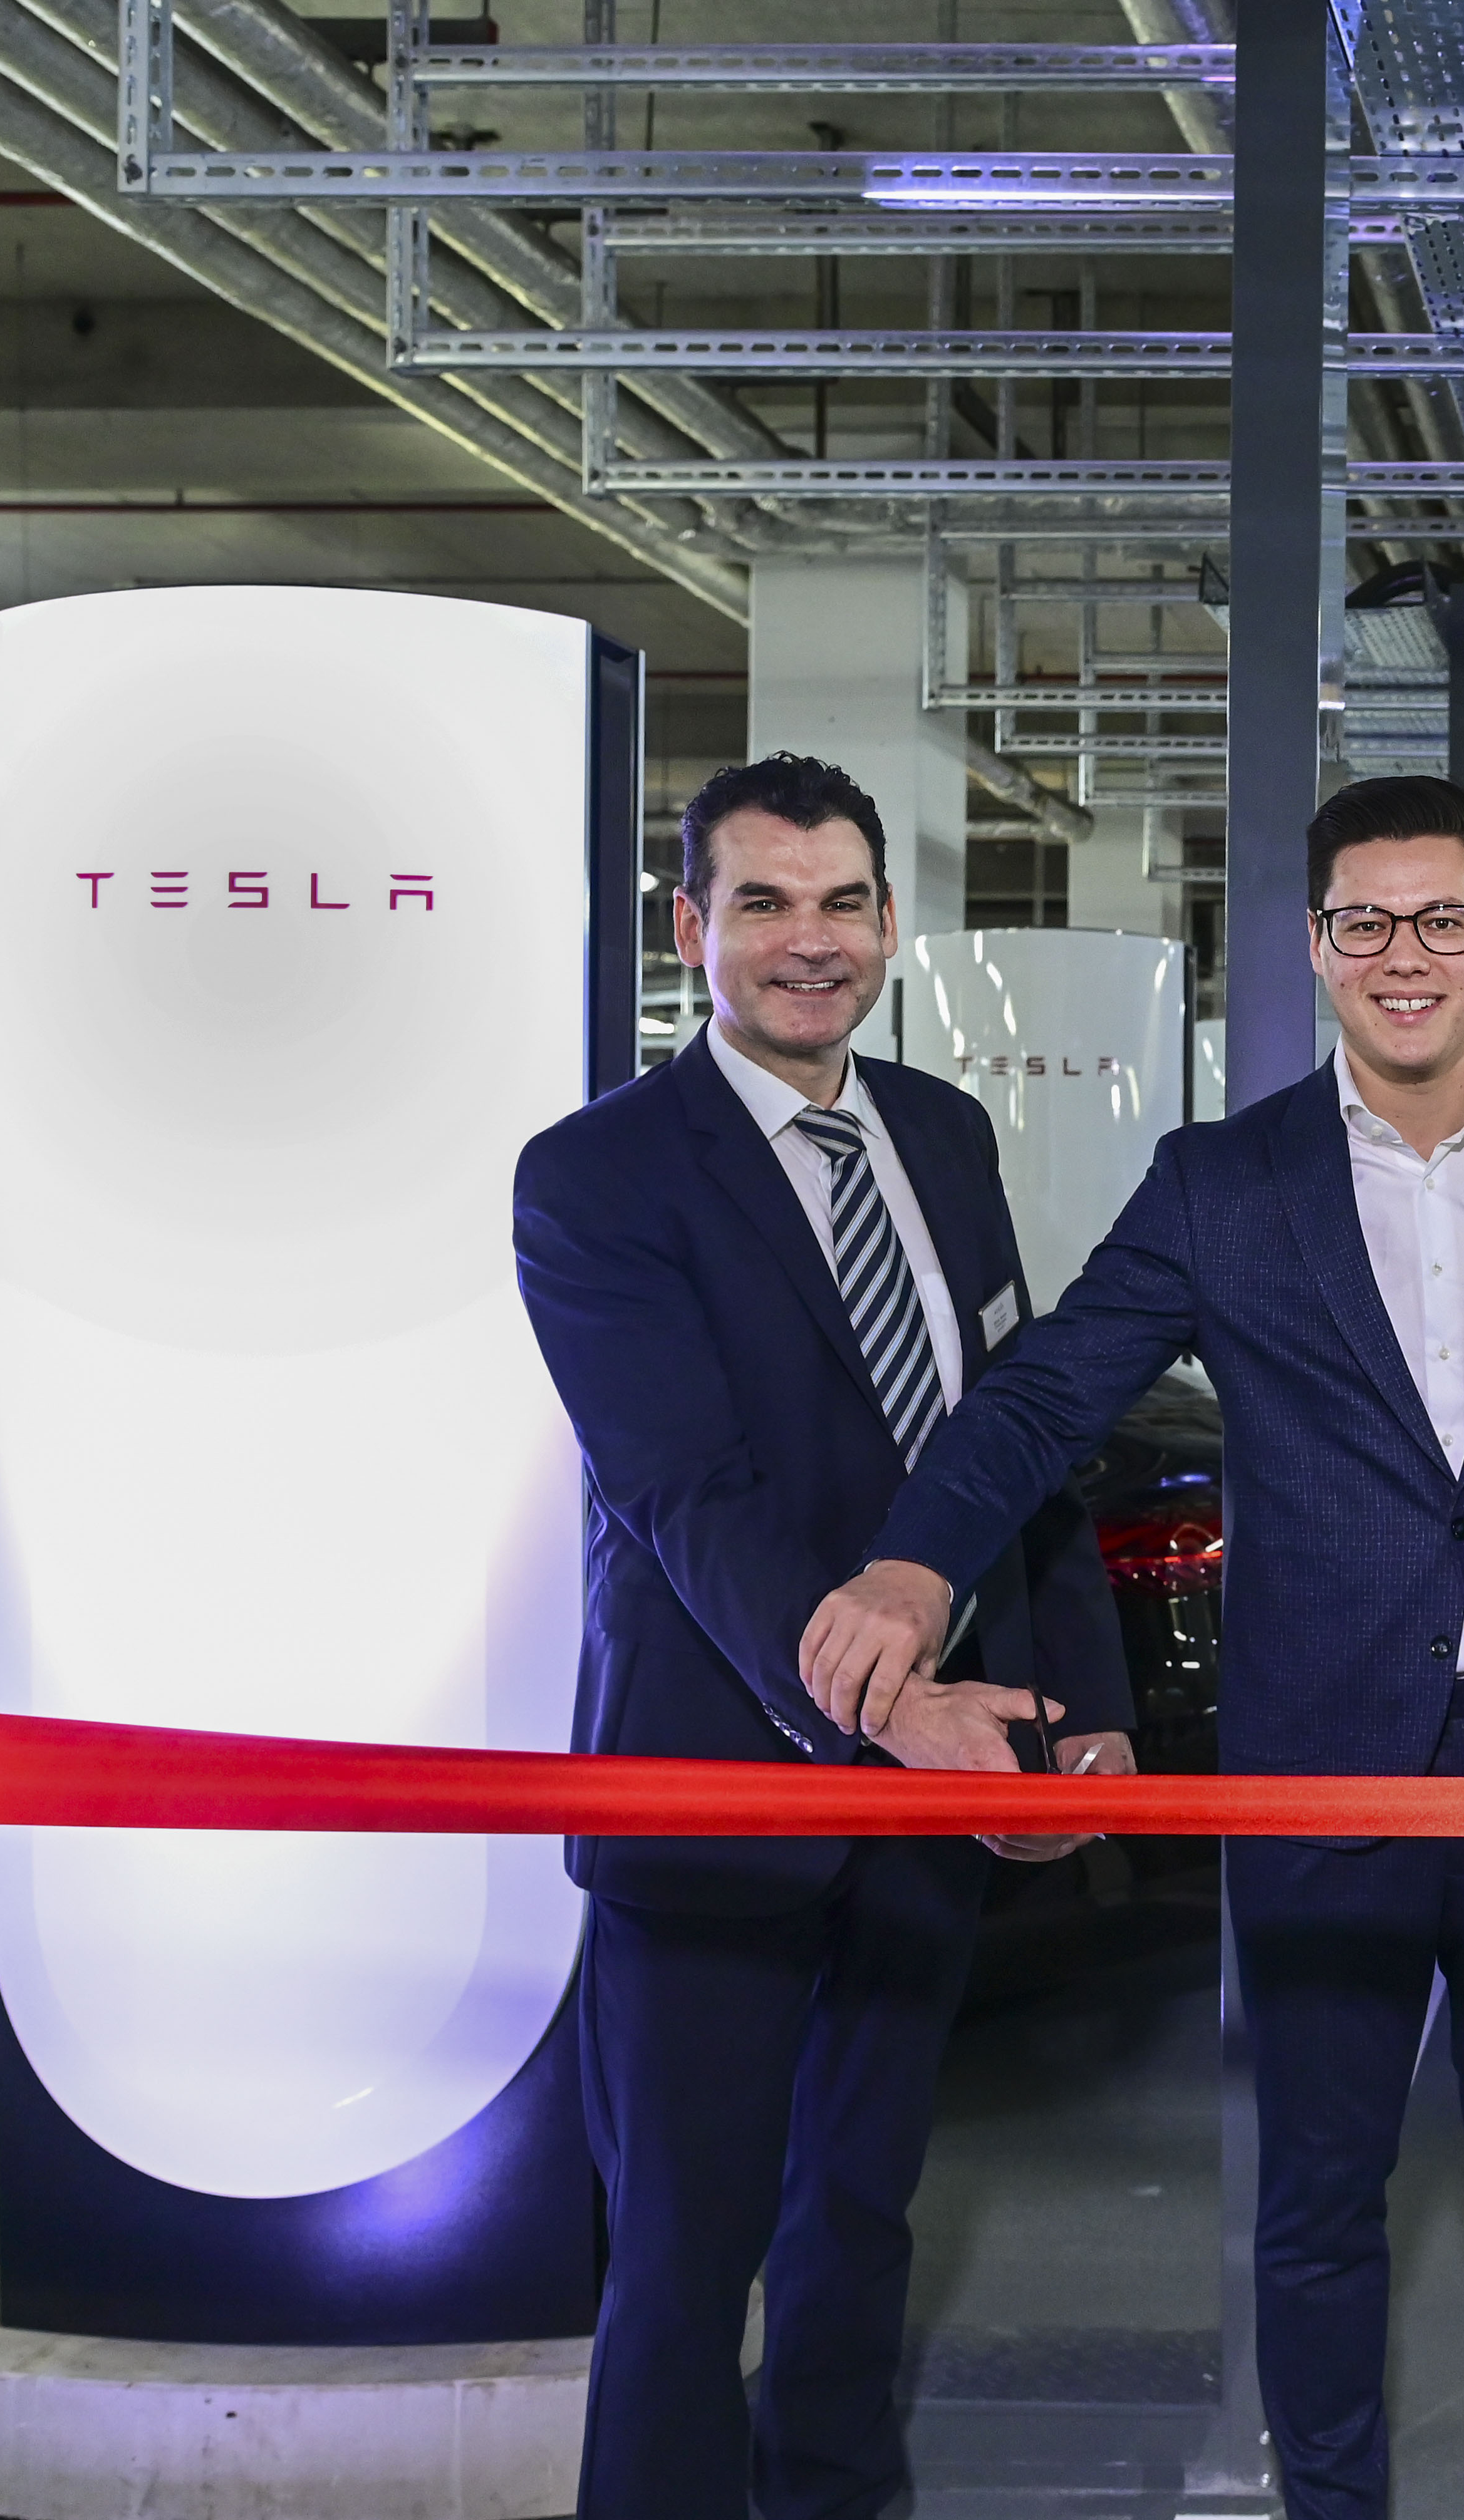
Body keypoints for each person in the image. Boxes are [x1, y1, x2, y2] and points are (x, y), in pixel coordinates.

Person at [797, 777, 1464, 2520]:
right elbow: (1042, 1396)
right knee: (1323, 2200)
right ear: (1312, 943)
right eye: (1362, 923)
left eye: (1438, 921)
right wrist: (909, 1569)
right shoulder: (1222, 1183)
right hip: (1319, 1757)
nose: (1401, 958)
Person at [511, 751, 1133, 2520]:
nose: (811, 943)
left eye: (845, 902)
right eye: (766, 905)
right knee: (687, 2269)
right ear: (693, 927)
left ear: (889, 922)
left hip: (933, 1810)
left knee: (860, 2222)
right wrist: (891, 1710)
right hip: (720, 1796)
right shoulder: (598, 1178)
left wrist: (1077, 1708)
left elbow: (1013, 1434)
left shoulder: (939, 1134)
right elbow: (685, 1495)